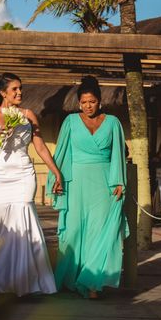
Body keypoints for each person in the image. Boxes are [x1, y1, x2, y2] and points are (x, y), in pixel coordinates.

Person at [0, 72, 63, 296]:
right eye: (14, 89)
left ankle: (25, 283)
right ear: (3, 92)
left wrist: (56, 172)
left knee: (23, 220)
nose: (19, 92)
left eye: (20, 88)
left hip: (23, 173)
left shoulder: (28, 114)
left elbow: (40, 147)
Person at [47, 76, 129, 299]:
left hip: (104, 183)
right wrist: (56, 179)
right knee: (73, 230)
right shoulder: (71, 122)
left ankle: (92, 283)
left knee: (100, 231)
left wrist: (119, 181)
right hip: (76, 182)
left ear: (99, 101)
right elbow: (61, 153)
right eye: (83, 102)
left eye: (91, 101)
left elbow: (118, 155)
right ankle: (70, 277)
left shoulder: (112, 123)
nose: (87, 106)